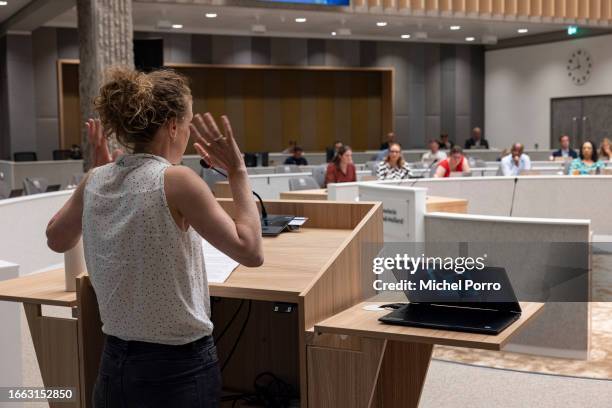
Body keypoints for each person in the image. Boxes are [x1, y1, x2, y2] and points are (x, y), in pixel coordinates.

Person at [45, 67, 264, 408]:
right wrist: (238, 171)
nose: (190, 132)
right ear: (173, 125)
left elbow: (56, 239)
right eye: (189, 123)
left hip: (114, 365)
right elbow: (251, 251)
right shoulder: (177, 181)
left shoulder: (95, 179)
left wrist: (97, 178)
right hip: (177, 370)